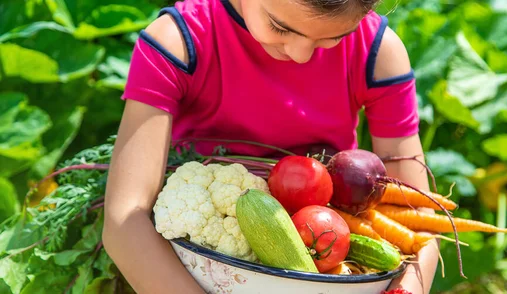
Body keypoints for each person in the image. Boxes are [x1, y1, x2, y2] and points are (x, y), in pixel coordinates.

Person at [102, 0, 439, 293]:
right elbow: (124, 223)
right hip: (187, 276)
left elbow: (421, 224)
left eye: (333, 37)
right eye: (280, 27)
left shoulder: (378, 52)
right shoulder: (178, 42)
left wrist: (406, 290)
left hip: (328, 265)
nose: (300, 54)